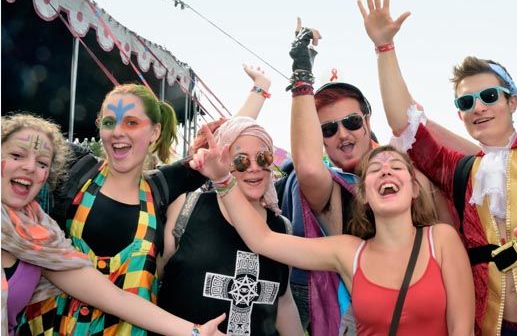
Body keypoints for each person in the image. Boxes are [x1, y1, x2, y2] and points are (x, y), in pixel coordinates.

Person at [358, 0, 517, 334]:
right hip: (489, 327)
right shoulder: (458, 169)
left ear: (511, 101)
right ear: (460, 115)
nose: (478, 108)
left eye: (488, 96)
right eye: (466, 103)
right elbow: (403, 127)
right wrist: (384, 47)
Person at [284, 18, 477, 335]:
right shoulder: (332, 192)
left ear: (367, 119)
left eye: (351, 122)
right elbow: (306, 166)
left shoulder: (411, 170)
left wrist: (418, 125)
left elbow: (476, 167)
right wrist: (302, 68)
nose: (343, 135)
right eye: (328, 130)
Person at [191, 126, 475, 335]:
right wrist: (223, 179)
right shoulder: (348, 251)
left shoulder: (441, 239)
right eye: (375, 169)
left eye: (397, 167)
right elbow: (262, 239)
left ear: (414, 188)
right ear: (363, 194)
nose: (386, 171)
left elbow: (461, 328)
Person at [1, 113, 227, 336]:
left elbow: (116, 298)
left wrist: (196, 332)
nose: (30, 167)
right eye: (17, 155)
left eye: (42, 162)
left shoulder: (39, 238)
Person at [157, 67, 303, 335]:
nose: (254, 168)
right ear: (223, 162)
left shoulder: (281, 227)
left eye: (263, 158)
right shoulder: (187, 208)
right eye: (240, 160)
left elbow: (282, 300)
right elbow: (155, 278)